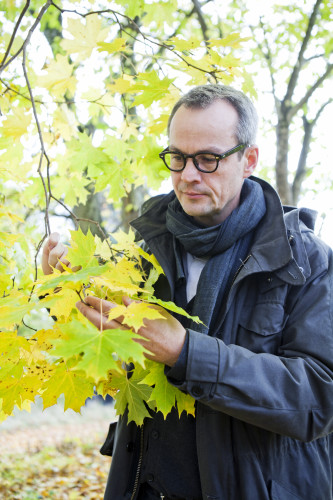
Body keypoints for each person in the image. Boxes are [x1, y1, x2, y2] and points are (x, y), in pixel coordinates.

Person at [42, 84, 333, 500]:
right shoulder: (140, 253)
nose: (188, 175)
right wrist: (65, 293)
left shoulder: (308, 262)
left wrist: (186, 353)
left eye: (208, 159)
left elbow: (320, 398)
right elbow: (104, 366)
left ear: (248, 160)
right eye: (177, 158)